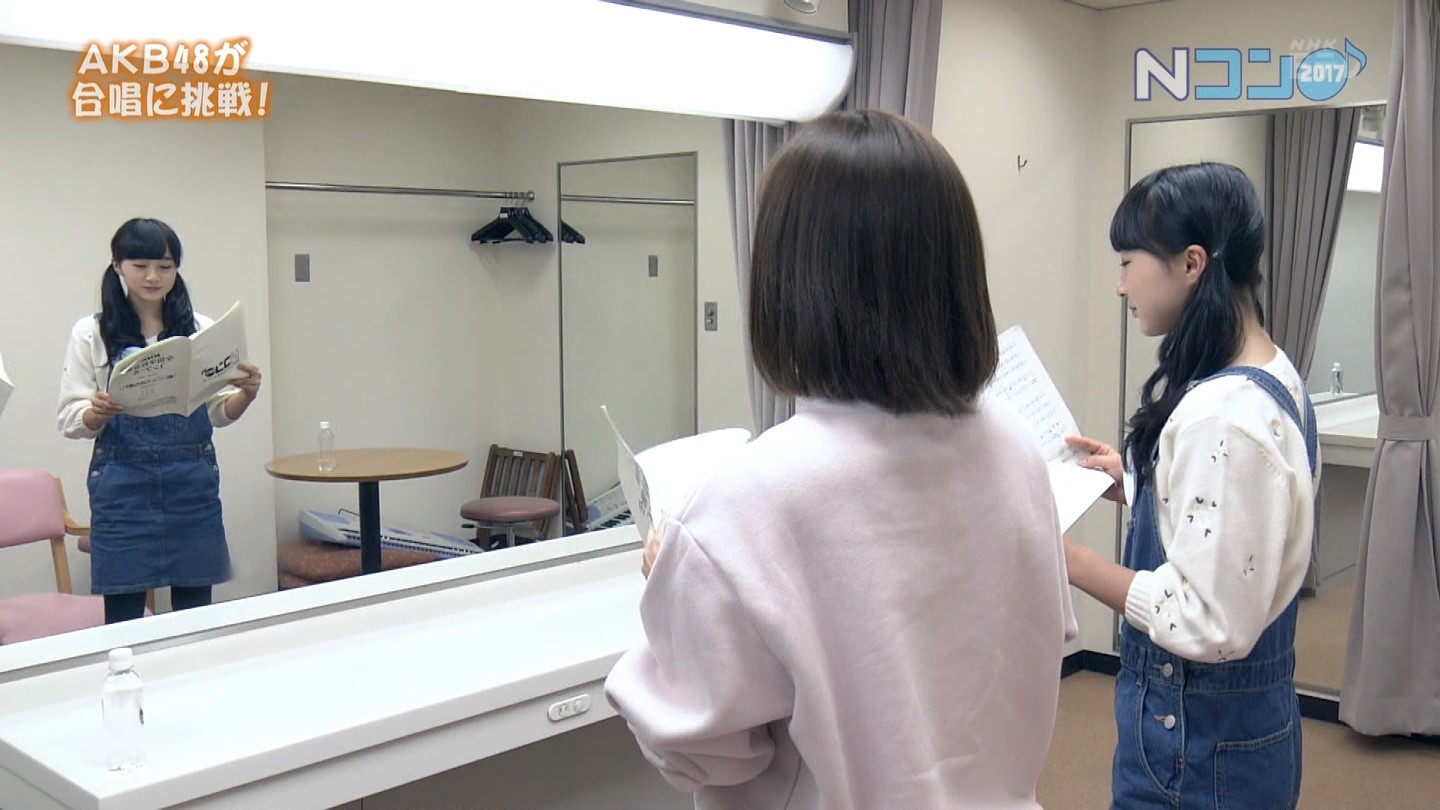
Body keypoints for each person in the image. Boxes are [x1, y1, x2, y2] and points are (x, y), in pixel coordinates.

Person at [603, 109, 1077, 809]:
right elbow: (1037, 642)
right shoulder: (1013, 444)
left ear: (786, 280)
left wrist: (671, 584)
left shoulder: (754, 499)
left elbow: (700, 751)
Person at [1063, 162, 1319, 809]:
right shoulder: (1271, 372)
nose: (1122, 285)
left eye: (1129, 262)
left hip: (1195, 745)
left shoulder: (1221, 416)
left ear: (1191, 263)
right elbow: (1245, 524)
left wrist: (1068, 559)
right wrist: (1143, 484)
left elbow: (1205, 620)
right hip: (1244, 733)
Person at [57, 217, 262, 624]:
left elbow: (217, 412)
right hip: (122, 485)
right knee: (124, 619)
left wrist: (246, 395)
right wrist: (95, 412)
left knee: (194, 617)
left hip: (191, 482)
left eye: (165, 267)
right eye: (140, 265)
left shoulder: (200, 329)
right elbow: (70, 418)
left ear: (176, 269)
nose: (153, 277)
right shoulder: (92, 332)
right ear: (117, 265)